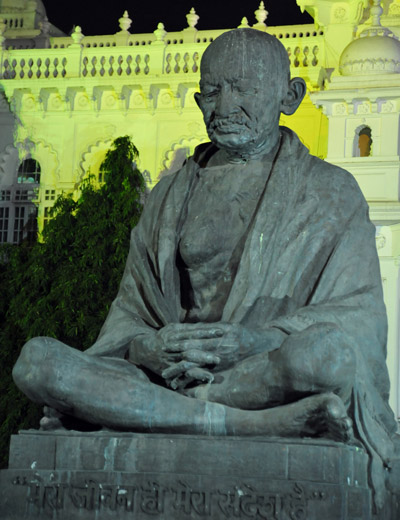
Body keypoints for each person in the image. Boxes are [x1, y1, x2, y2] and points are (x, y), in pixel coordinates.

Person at [13, 28, 398, 509]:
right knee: (36, 361)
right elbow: (131, 313)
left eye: (245, 89)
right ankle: (238, 423)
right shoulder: (168, 196)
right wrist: (148, 347)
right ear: (197, 99)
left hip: (263, 372)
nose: (225, 104)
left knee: (327, 357)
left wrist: (259, 339)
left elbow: (359, 319)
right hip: (170, 376)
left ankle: (169, 413)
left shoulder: (331, 192)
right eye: (212, 91)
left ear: (289, 96)